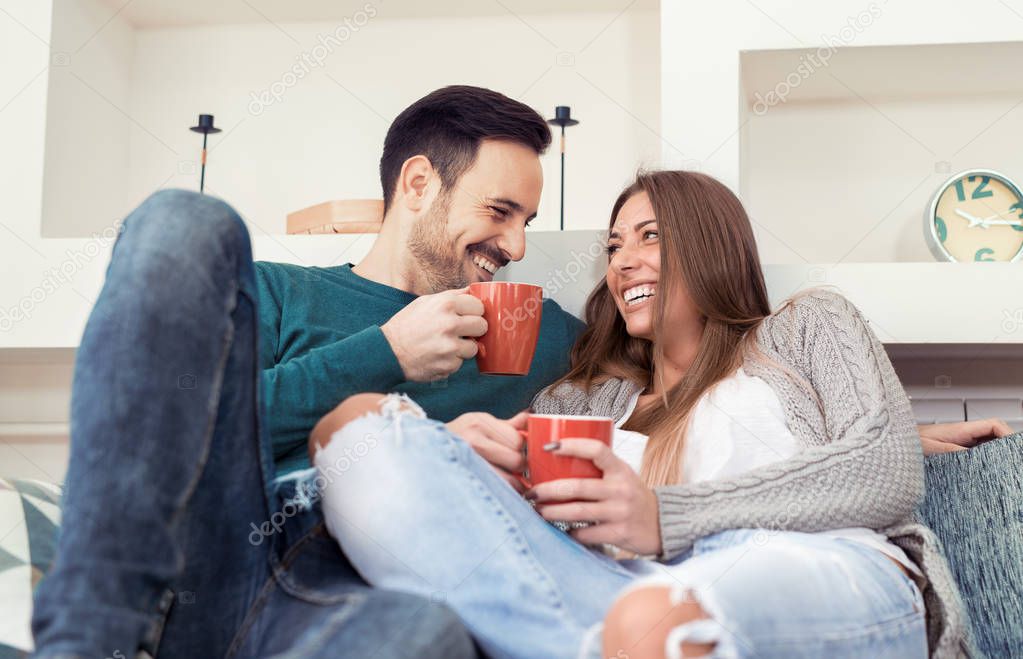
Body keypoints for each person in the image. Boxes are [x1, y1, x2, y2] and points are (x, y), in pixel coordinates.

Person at [311, 171, 987, 659]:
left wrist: (665, 517)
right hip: (620, 589)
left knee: (653, 621)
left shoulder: (805, 326)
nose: (621, 262)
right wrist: (473, 465)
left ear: (709, 243)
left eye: (648, 237)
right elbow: (542, 538)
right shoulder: (577, 400)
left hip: (822, 573)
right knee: (357, 429)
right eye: (611, 247)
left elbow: (883, 467)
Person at [31, 85, 581, 659]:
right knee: (184, 218)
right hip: (223, 569)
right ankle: (84, 640)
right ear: (418, 184)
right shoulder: (277, 293)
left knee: (423, 635)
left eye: (527, 221)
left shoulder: (535, 329)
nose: (516, 245)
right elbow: (176, 430)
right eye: (499, 211)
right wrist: (385, 353)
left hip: (363, 604)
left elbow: (668, 362)